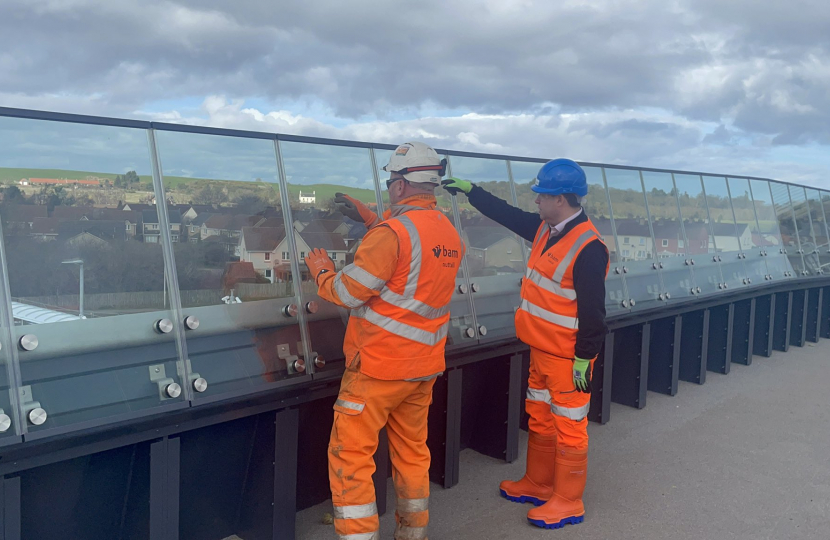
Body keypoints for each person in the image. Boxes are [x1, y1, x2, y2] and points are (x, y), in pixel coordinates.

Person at [304, 141, 464, 540]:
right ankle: (413, 533)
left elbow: (349, 292)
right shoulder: (447, 231)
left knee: (351, 457)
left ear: (400, 185)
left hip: (377, 367)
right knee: (412, 453)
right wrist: (373, 219)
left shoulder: (391, 234)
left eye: (392, 179)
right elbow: (409, 263)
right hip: (423, 366)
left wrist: (322, 272)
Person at [442, 159, 609, 530]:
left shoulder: (588, 247)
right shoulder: (548, 230)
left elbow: (595, 312)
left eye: (542, 196)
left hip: (568, 358)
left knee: (569, 426)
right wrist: (473, 192)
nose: (536, 202)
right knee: (540, 416)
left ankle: (568, 500)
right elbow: (508, 215)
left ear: (561, 200)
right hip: (540, 349)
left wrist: (585, 358)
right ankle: (538, 483)